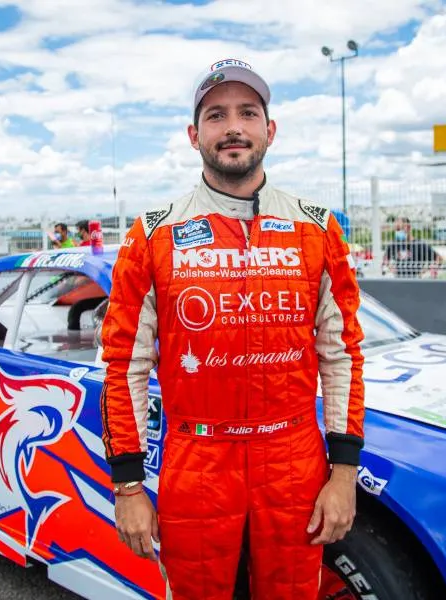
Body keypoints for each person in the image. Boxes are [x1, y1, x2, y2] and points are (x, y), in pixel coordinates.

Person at [100, 58, 365, 599]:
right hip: (198, 457)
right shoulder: (154, 232)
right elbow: (125, 365)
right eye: (216, 115)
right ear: (195, 135)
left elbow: (343, 357)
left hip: (293, 456)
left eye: (248, 112)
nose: (234, 128)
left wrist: (343, 475)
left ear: (270, 130)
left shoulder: (316, 227)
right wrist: (128, 486)